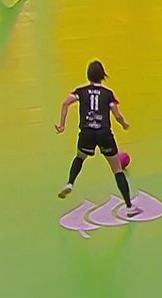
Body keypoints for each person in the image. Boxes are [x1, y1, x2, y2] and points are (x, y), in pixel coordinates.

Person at [54, 60, 136, 215]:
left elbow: (65, 104)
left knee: (80, 157)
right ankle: (129, 207)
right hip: (104, 133)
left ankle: (70, 183)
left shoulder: (80, 91)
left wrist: (62, 125)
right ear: (102, 76)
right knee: (117, 170)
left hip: (87, 132)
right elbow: (117, 115)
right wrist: (124, 124)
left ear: (88, 75)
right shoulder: (108, 94)